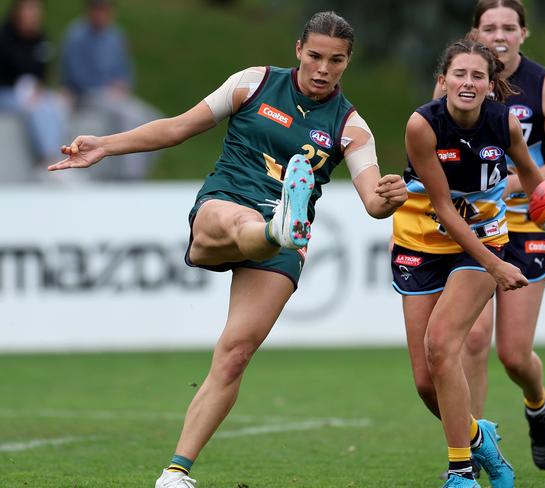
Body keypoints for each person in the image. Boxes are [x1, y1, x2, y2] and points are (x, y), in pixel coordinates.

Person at [49, 11, 408, 488]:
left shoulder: (351, 128)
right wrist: (105, 146)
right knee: (242, 222)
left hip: (283, 243)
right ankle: (276, 226)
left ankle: (175, 474)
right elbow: (177, 127)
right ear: (299, 50)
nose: (324, 68)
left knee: (235, 353)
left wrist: (389, 199)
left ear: (347, 62)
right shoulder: (252, 83)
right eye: (316, 56)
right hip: (227, 202)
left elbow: (371, 202)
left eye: (336, 61)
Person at [391, 38, 545, 488]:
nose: (467, 82)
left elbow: (537, 182)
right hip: (419, 242)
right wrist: (497, 268)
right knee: (426, 382)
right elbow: (442, 207)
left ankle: (462, 472)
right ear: (443, 81)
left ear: (491, 86)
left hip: (481, 240)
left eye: (478, 75)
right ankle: (482, 439)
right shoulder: (422, 125)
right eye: (459, 73)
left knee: (443, 345)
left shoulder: (505, 124)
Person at [432, 0, 545, 475]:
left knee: (514, 354)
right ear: (475, 31)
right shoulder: (459, 79)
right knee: (470, 340)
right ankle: (471, 455)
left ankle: (539, 405)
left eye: (509, 27)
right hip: (473, 225)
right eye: (489, 26)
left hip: (525, 221)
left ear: (524, 33)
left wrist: (504, 186)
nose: (499, 34)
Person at [60, 0, 161, 180]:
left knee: (154, 119)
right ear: (90, 11)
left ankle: (141, 171)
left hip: (115, 96)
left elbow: (125, 70)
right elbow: (76, 76)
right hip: (87, 95)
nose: (102, 15)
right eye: (98, 10)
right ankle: (131, 177)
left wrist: (122, 84)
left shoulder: (115, 36)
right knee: (131, 116)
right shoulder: (76, 36)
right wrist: (106, 87)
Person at [0, 0, 68, 173]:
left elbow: (42, 73)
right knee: (37, 108)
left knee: (56, 104)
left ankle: (61, 155)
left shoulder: (41, 38)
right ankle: (47, 159)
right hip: (6, 92)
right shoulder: (4, 37)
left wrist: (37, 88)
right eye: (29, 9)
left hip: (33, 92)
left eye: (36, 9)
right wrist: (22, 89)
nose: (33, 14)